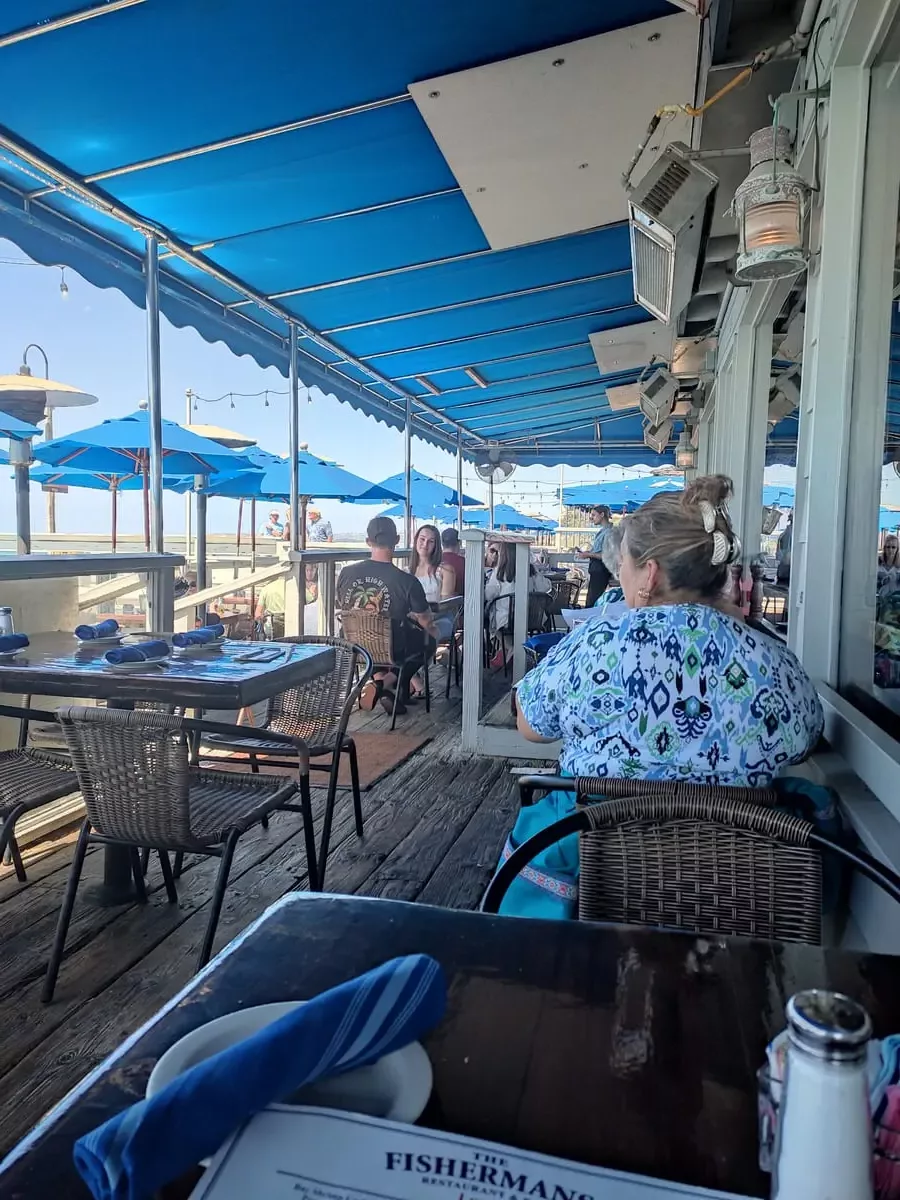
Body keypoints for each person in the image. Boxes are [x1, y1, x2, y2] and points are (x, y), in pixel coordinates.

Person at [501, 475, 824, 920]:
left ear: (649, 573)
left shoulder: (601, 642)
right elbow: (806, 738)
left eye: (626, 565)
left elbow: (530, 727)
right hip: (736, 887)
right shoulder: (770, 656)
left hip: (599, 869)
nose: (622, 574)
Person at [337, 516, 439, 715]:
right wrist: (433, 632)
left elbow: (344, 606)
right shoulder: (406, 581)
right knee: (428, 642)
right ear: (397, 540)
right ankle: (385, 683)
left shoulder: (345, 573)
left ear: (368, 541)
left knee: (376, 648)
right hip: (392, 648)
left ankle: (383, 687)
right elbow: (426, 620)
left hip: (353, 645)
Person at [484, 540, 552, 668]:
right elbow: (545, 587)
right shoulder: (531, 570)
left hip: (506, 620)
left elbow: (489, 594)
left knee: (489, 619)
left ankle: (510, 652)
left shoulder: (500, 571)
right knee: (511, 632)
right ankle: (512, 653)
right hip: (532, 619)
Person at [409, 524, 457, 602]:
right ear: (416, 540)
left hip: (437, 613)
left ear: (436, 545)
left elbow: (445, 606)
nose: (425, 544)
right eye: (422, 539)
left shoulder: (446, 571)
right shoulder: (406, 572)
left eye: (431, 541)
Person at [578, 505, 613, 606]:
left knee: (593, 601)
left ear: (602, 515)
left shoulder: (608, 532)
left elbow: (606, 555)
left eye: (593, 515)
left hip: (601, 570)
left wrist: (588, 554)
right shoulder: (603, 531)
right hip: (597, 569)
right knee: (592, 599)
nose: (591, 517)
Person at [440, 527, 466, 596]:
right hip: (462, 604)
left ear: (442, 543)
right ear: (459, 543)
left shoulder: (433, 561)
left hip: (436, 603)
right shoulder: (465, 563)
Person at [776, 512, 793, 585]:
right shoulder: (789, 532)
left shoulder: (788, 532)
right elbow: (785, 554)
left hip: (784, 570)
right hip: (786, 571)